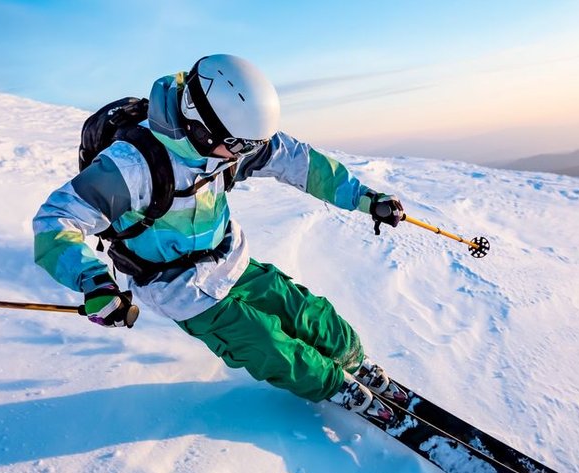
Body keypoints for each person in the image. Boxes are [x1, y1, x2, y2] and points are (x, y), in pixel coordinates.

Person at [32, 54, 406, 420]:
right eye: (243, 145)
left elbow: (299, 161)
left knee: (307, 312)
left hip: (229, 258)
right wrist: (95, 282)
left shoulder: (229, 142)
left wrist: (364, 199)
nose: (248, 153)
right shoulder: (133, 166)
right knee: (268, 344)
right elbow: (56, 220)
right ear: (200, 126)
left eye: (254, 143)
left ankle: (353, 359)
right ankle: (331, 384)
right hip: (178, 287)